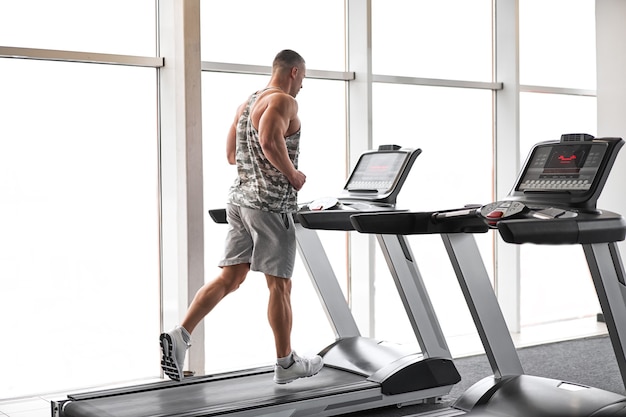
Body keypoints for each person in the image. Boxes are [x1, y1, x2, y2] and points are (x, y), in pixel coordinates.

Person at [160, 49, 323, 384]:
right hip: (270, 206)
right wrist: (292, 174)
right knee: (280, 286)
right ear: (293, 72)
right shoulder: (284, 102)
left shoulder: (247, 104)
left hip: (240, 202)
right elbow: (268, 140)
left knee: (229, 279)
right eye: (303, 79)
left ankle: (180, 336)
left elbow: (232, 155)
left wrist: (262, 170)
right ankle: (286, 363)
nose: (302, 87)